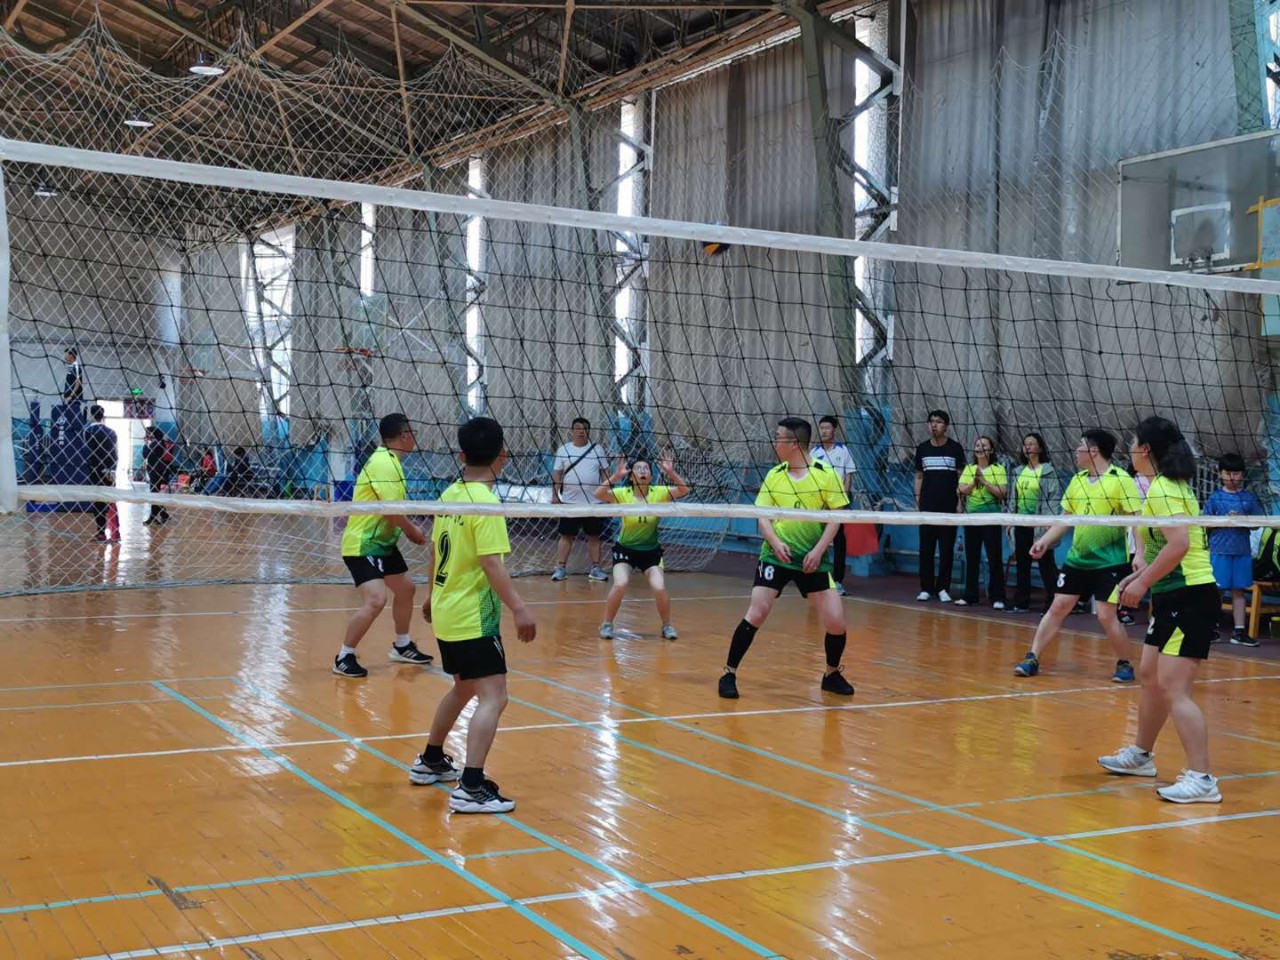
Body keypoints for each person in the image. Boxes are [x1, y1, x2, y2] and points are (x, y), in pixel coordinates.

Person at [413, 416, 536, 814]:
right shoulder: (486, 502)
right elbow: (491, 562)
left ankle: (432, 760)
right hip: (472, 614)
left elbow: (435, 551)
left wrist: (431, 595)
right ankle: (471, 786)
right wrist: (519, 608)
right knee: (494, 697)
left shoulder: (449, 493)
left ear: (462, 455)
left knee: (463, 688)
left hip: (447, 609)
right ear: (503, 456)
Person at [1098, 417, 1222, 803]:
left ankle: (1202, 779)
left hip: (1191, 595)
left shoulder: (1165, 488)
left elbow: (1180, 545)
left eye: (1133, 443)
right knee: (1150, 676)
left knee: (1173, 687)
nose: (1129, 450)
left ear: (1145, 449)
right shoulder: (1164, 486)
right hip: (1171, 595)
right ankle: (1141, 755)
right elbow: (1166, 546)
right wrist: (1138, 574)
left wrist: (1142, 584)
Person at [718, 417, 854, 700]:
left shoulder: (826, 475)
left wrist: (818, 551)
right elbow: (762, 516)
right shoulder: (774, 475)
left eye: (778, 438)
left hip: (812, 558)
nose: (774, 442)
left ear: (794, 444)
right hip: (776, 556)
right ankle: (728, 673)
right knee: (757, 612)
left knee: (836, 621)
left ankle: (831, 674)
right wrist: (776, 542)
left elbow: (837, 516)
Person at [1013, 430, 1141, 682]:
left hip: (1110, 562)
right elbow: (1067, 518)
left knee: (1105, 615)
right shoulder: (1078, 479)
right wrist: (1044, 540)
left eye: (1079, 447)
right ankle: (1032, 657)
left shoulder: (1121, 479)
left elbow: (1138, 521)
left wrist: (1140, 555)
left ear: (1093, 451)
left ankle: (1125, 663)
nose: (1075, 452)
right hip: (1077, 560)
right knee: (1058, 606)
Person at [334, 413, 433, 679]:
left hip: (383, 543)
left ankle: (402, 645)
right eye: (412, 433)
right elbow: (390, 512)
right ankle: (344, 656)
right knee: (376, 599)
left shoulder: (391, 461)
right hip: (364, 544)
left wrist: (409, 527)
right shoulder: (384, 464)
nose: (414, 438)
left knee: (406, 589)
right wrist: (412, 530)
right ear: (404, 436)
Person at [594, 454, 691, 641]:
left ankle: (667, 626)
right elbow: (598, 494)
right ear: (632, 477)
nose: (642, 471)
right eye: (638, 469)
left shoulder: (659, 493)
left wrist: (671, 472)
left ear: (651, 476)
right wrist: (616, 476)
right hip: (625, 549)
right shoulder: (623, 494)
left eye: (646, 468)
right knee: (620, 584)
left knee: (659, 587)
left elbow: (684, 489)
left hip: (650, 551)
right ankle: (607, 624)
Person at [1203, 453, 1263, 646]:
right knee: (1217, 592)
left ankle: (1239, 631)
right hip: (1219, 551)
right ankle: (1211, 628)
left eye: (1236, 473)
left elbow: (1257, 524)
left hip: (1241, 552)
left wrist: (1242, 520)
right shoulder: (1215, 498)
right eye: (1228, 473)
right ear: (1220, 473)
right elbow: (1205, 522)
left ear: (1243, 474)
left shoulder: (1249, 498)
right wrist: (1224, 520)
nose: (1232, 477)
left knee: (1239, 592)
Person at [550, 417, 611, 582]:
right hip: (570, 502)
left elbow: (605, 474)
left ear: (588, 431)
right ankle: (561, 568)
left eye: (584, 428)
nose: (581, 431)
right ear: (572, 431)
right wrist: (555, 495)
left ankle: (595, 568)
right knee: (566, 535)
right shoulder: (563, 450)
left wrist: (607, 494)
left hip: (594, 503)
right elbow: (557, 475)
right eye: (577, 428)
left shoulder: (597, 450)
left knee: (594, 536)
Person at [914, 410, 965, 603]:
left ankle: (943, 588)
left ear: (946, 426)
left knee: (946, 550)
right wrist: (918, 500)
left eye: (938, 422)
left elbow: (961, 477)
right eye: (931, 421)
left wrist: (960, 502)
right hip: (927, 507)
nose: (934, 425)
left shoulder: (955, 448)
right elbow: (919, 476)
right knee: (926, 549)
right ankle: (926, 588)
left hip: (948, 507)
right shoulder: (922, 449)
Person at [955, 435, 1008, 608]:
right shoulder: (969, 468)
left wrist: (984, 481)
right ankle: (970, 596)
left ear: (991, 450)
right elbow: (961, 490)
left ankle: (998, 597)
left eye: (984, 445)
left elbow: (1002, 492)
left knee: (994, 558)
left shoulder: (998, 469)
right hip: (972, 518)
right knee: (972, 557)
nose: (980, 448)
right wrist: (974, 481)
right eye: (977, 445)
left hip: (992, 518)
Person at [1010, 432, 1060, 613]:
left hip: (1040, 525)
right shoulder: (1018, 471)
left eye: (1031, 443)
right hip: (1021, 524)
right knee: (1022, 564)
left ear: (1040, 447)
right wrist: (1010, 521)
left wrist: (1049, 521)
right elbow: (1012, 499)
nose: (1028, 447)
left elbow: (1053, 498)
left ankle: (1052, 602)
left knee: (1046, 564)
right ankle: (1021, 602)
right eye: (1026, 444)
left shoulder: (1048, 471)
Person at [810, 415, 857, 596]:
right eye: (821, 428)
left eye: (827, 428)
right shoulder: (814, 453)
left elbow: (848, 476)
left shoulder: (843, 451)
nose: (824, 431)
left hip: (837, 505)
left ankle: (838, 581)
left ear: (834, 430)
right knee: (816, 540)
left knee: (839, 542)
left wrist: (842, 500)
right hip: (819, 505)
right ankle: (815, 578)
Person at [84, 404, 118, 542]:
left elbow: (87, 452)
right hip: (110, 469)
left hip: (95, 469)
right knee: (110, 500)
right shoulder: (112, 432)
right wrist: (113, 468)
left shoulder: (88, 431)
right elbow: (115, 452)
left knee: (98, 501)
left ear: (91, 415)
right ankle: (115, 532)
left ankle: (101, 532)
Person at [142, 426, 174, 526]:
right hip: (158, 471)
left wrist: (145, 444)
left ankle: (152, 518)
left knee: (154, 494)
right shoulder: (159, 442)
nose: (146, 435)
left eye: (147, 433)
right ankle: (164, 514)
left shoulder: (156, 443)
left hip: (156, 472)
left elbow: (145, 454)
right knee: (156, 493)